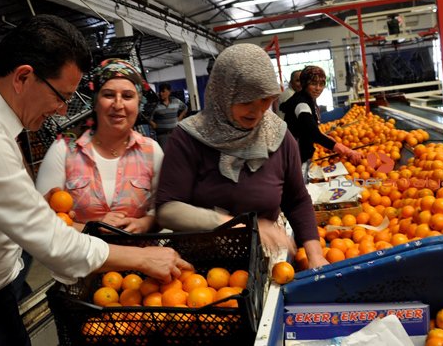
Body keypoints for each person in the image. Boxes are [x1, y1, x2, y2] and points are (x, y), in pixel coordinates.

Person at [0, 15, 191, 346]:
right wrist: (142, 258)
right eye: (61, 96)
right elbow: (50, 240)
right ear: (23, 77)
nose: (63, 111)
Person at [155, 44, 329, 269]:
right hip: (200, 270)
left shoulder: (278, 135)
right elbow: (168, 210)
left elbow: (296, 200)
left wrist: (315, 253)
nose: (257, 112)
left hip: (264, 263)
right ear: (222, 94)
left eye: (265, 100)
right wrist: (240, 225)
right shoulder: (189, 138)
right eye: (246, 101)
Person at [36, 59, 163, 233]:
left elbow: (162, 210)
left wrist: (145, 223)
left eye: (127, 96)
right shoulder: (64, 150)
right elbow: (43, 220)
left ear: (138, 103)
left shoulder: (151, 151)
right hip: (80, 257)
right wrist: (92, 228)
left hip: (141, 256)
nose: (118, 105)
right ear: (95, 102)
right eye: (109, 95)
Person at [280, 65, 363, 166]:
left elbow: (310, 129)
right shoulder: (302, 104)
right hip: (294, 157)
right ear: (305, 83)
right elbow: (313, 133)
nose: (318, 88)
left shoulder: (306, 98)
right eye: (314, 84)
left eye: (321, 84)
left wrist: (333, 143)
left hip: (297, 153)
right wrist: (347, 151)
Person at [152, 83, 188, 148]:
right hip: (162, 136)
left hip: (175, 134)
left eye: (163, 91)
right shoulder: (155, 104)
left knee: (177, 153)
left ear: (169, 92)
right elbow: (147, 116)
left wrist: (180, 117)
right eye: (160, 91)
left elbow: (185, 108)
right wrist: (152, 123)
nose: (161, 93)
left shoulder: (176, 101)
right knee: (166, 156)